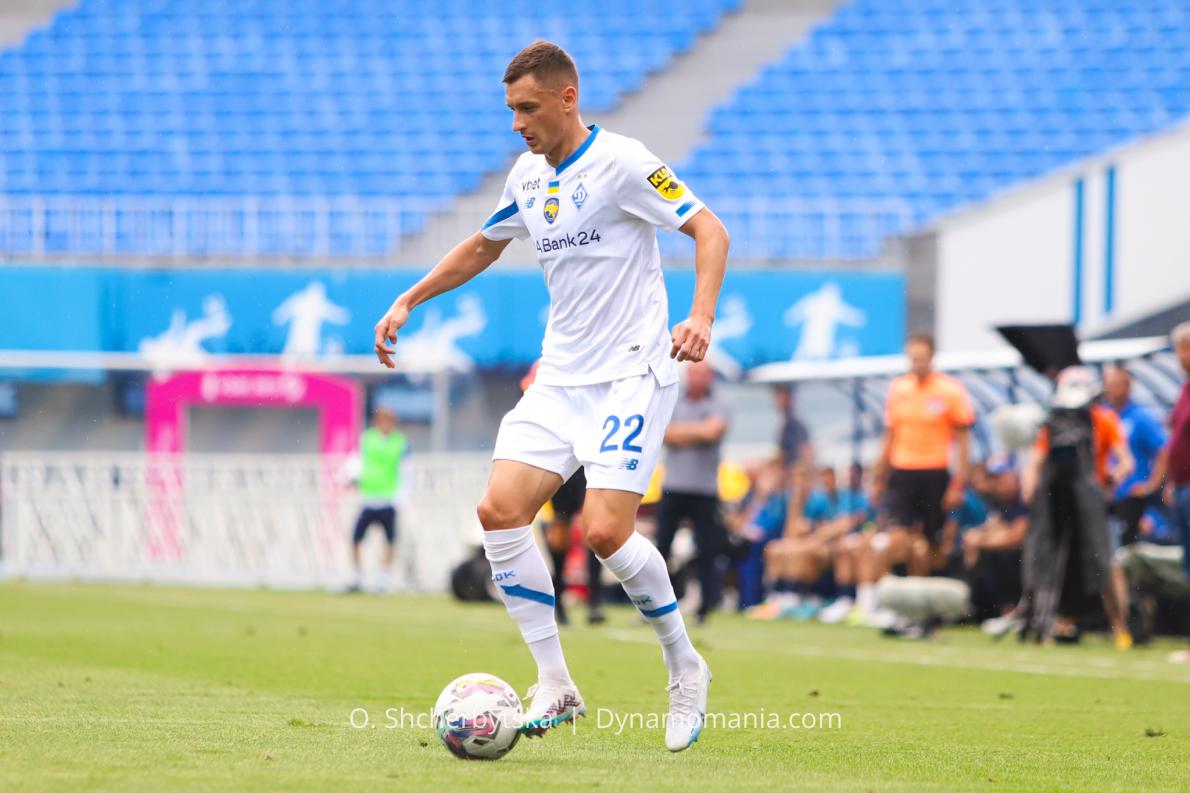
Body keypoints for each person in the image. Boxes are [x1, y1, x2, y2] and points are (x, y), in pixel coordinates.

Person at [372, 41, 730, 751]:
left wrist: (701, 316)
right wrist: (410, 298)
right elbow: (484, 244)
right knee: (499, 511)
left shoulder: (623, 162)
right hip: (560, 376)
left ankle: (685, 665)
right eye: (511, 110)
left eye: (527, 108)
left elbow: (708, 229)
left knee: (604, 532)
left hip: (632, 372)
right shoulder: (528, 176)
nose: (517, 124)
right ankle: (556, 682)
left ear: (568, 98)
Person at [1021, 367, 1134, 648]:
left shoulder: (1103, 420)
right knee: (1052, 561)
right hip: (1060, 503)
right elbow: (1036, 460)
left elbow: (1125, 461)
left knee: (1105, 563)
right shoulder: (1055, 423)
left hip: (1094, 506)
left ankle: (1120, 626)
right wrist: (1030, 487)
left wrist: (1112, 478)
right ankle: (1052, 623)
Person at [869, 332, 974, 586]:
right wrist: (878, 477)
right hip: (902, 471)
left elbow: (963, 443)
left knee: (933, 540)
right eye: (912, 358)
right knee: (898, 536)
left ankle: (930, 595)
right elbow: (889, 436)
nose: (917, 363)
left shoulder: (949, 390)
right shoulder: (899, 389)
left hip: (934, 472)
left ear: (932, 357)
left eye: (921, 358)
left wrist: (958, 484)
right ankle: (902, 592)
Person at [655, 361, 730, 624]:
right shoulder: (674, 400)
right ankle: (654, 604)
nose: (698, 378)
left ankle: (704, 608)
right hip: (673, 486)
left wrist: (681, 432)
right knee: (661, 550)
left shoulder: (720, 403)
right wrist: (699, 430)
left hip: (704, 489)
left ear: (710, 377)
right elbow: (663, 432)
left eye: (703, 374)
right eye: (694, 373)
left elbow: (713, 431)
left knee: (707, 550)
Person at [348, 407, 408, 593]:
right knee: (356, 538)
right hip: (369, 497)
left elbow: (406, 470)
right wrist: (353, 479)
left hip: (388, 498)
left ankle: (383, 578)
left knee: (389, 540)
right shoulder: (367, 438)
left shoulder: (400, 442)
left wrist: (402, 497)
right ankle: (358, 576)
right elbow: (357, 461)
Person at [964, 458, 1029, 623]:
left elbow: (1017, 537)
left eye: (1001, 477)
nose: (998, 483)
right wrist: (975, 538)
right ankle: (998, 612)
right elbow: (994, 526)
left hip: (1032, 557)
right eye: (994, 479)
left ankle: (1013, 612)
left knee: (1002, 555)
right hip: (1015, 556)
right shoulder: (999, 500)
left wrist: (980, 542)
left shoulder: (1025, 495)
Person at [1165, 322, 1190, 664]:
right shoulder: (1184, 389)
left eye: (1182, 349)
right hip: (1183, 487)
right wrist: (1172, 480)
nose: (1179, 357)